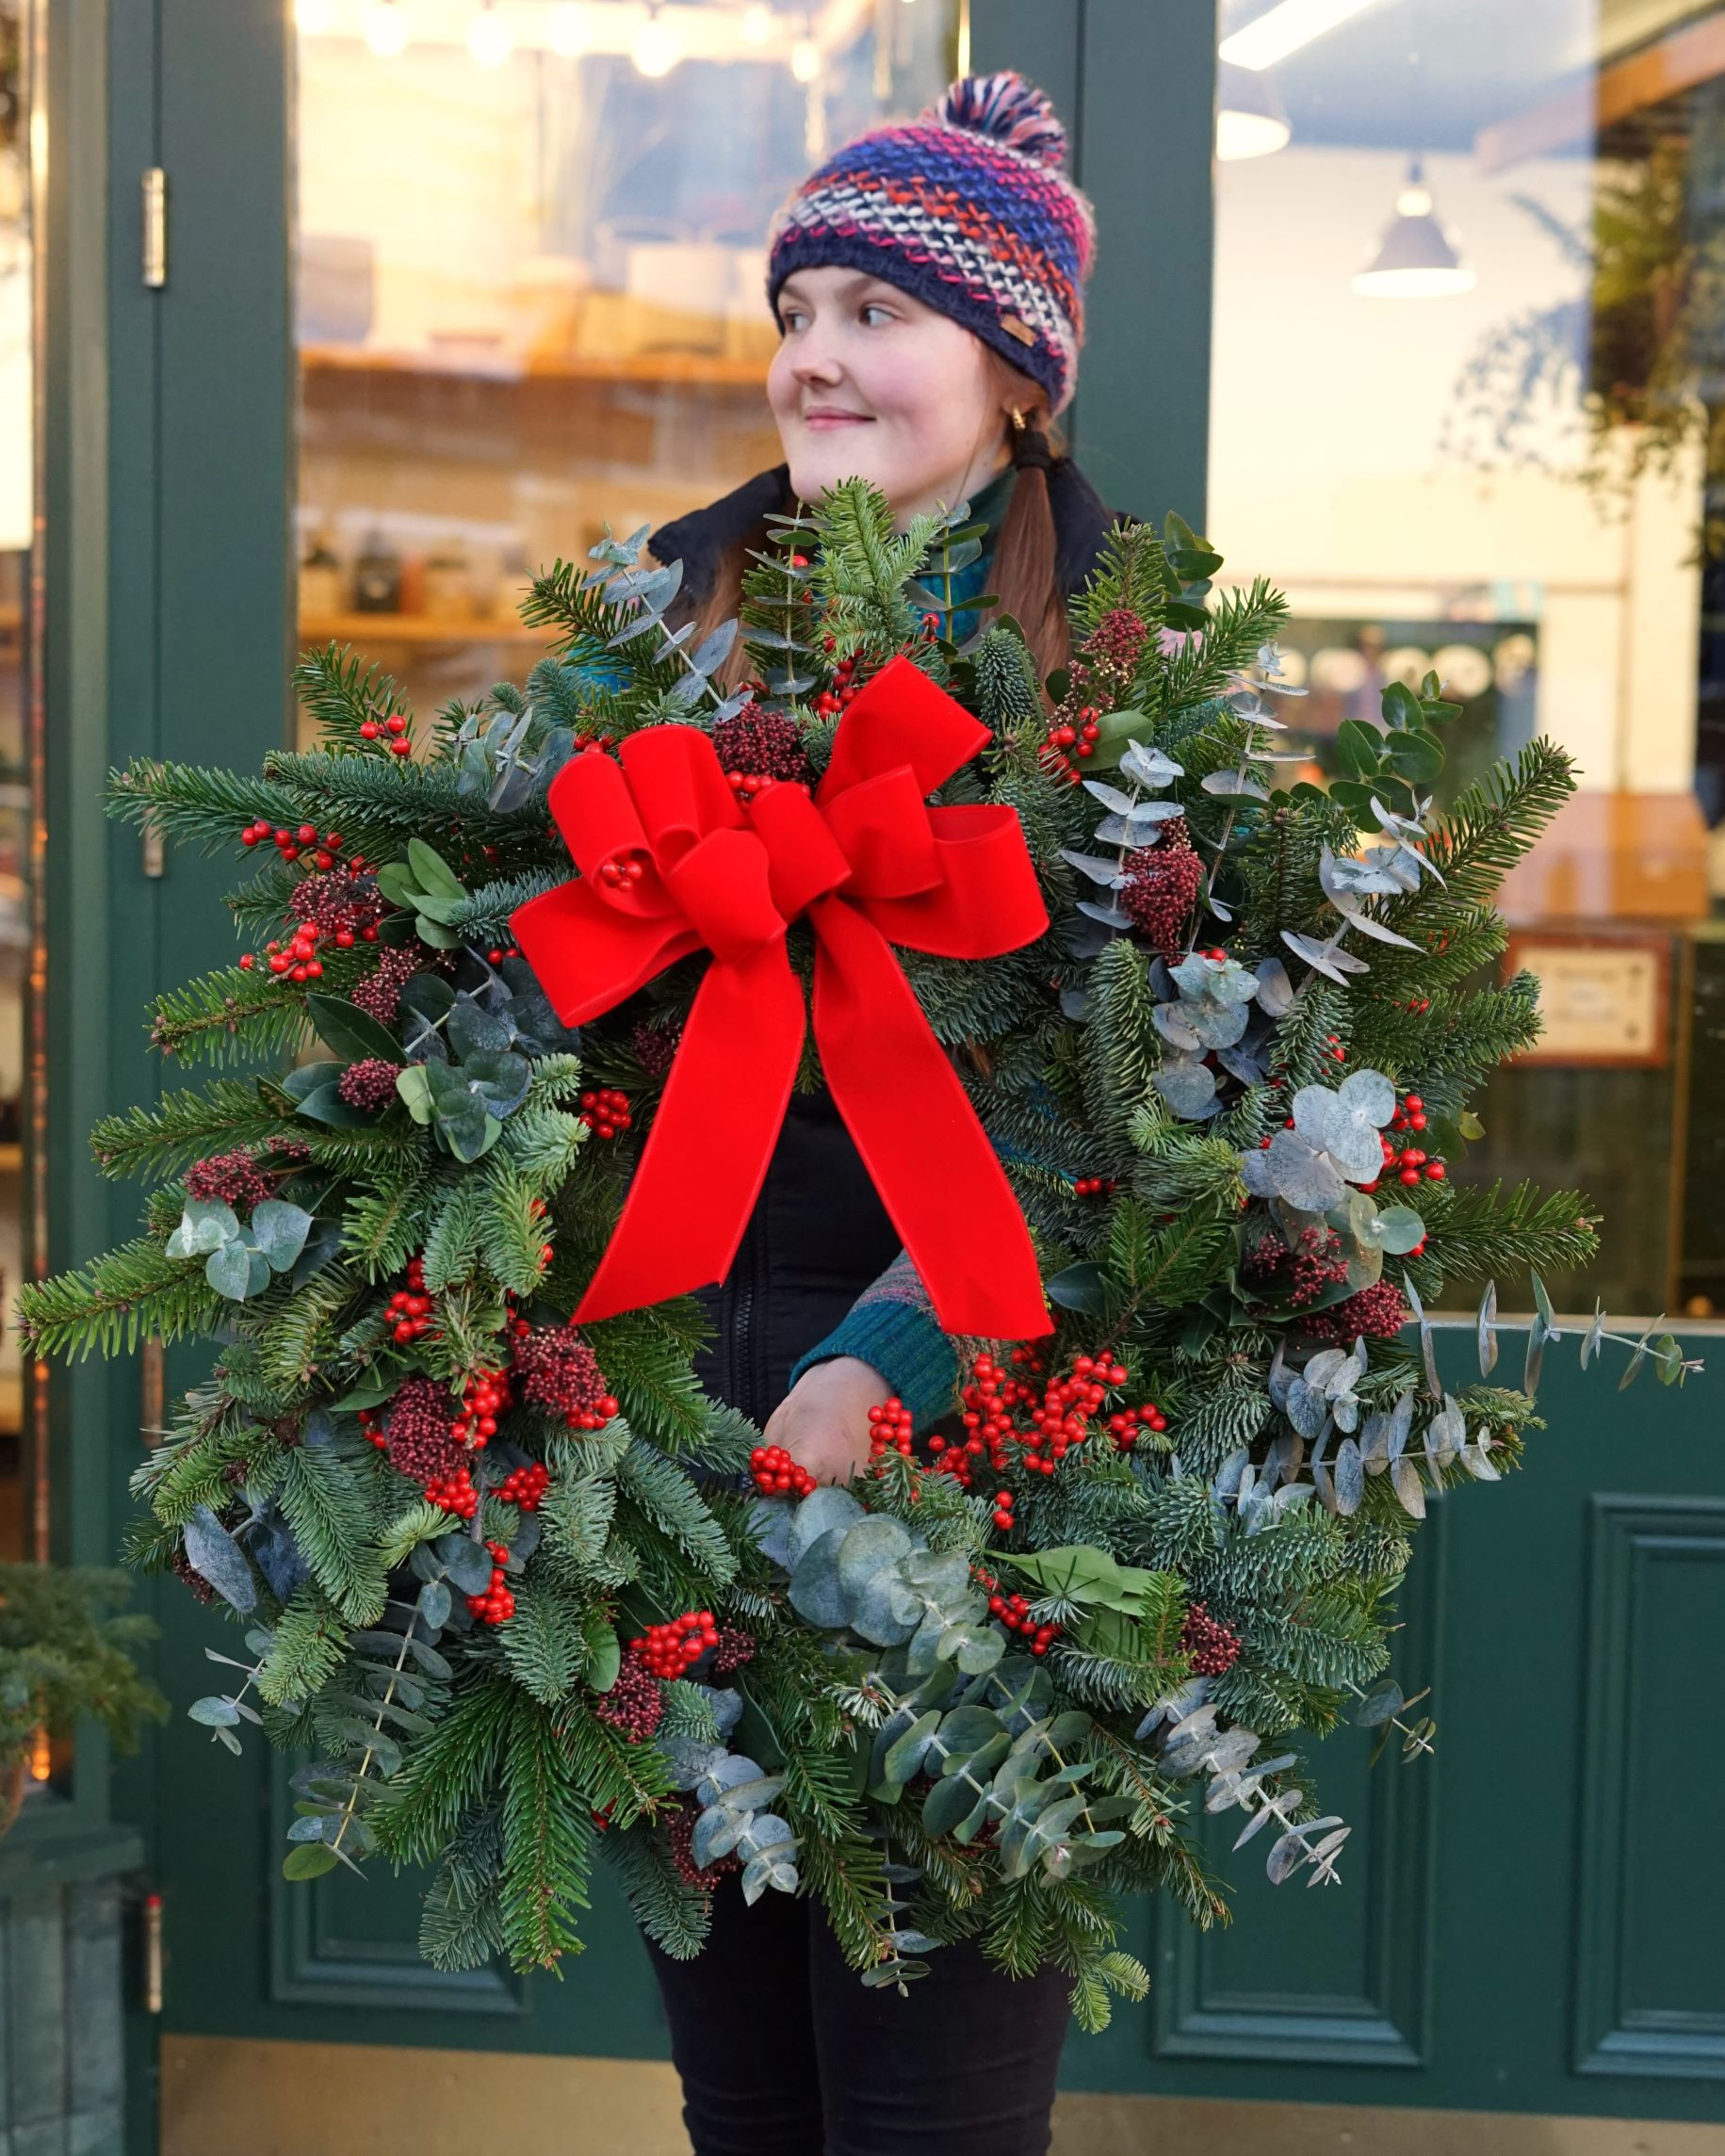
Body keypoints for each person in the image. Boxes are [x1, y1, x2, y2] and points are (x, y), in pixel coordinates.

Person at [634, 72, 1115, 2156]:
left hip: (960, 1459)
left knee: (923, 2101)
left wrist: (884, 1362)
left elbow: (1139, 1123)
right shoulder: (672, 633)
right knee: (739, 2095)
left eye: (878, 312)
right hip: (654, 1442)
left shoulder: (1117, 681)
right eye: (799, 304)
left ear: (1016, 379)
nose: (816, 353)